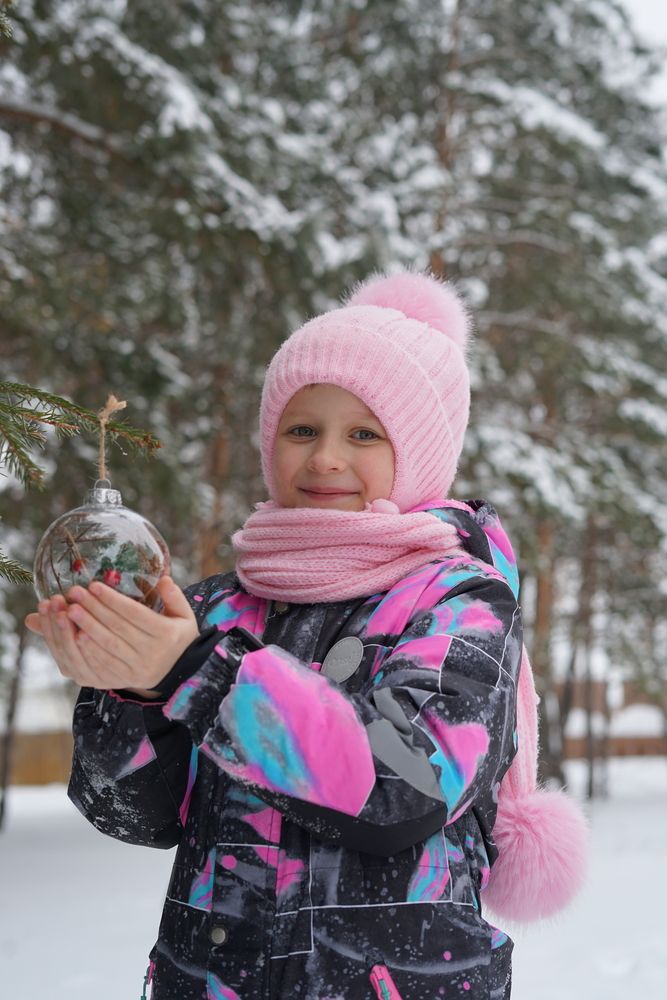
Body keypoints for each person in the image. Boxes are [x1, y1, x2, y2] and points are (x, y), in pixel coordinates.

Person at [26, 272, 587, 1000]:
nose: (324, 458)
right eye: (302, 429)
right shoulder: (218, 609)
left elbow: (402, 789)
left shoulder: (458, 602)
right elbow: (130, 812)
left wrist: (197, 673)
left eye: (362, 433)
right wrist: (132, 686)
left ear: (416, 451)